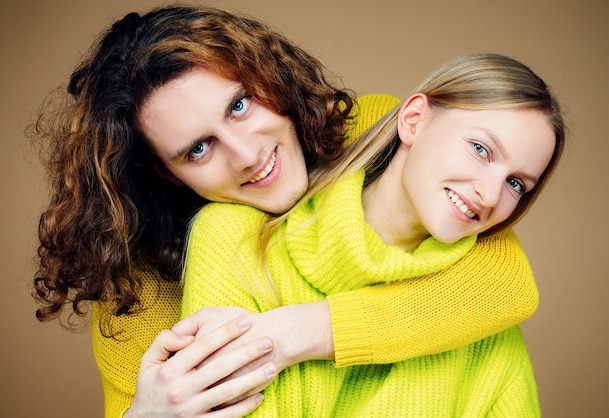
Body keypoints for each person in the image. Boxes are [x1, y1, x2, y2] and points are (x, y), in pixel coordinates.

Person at [29, 5, 545, 417]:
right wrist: (149, 414)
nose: (248, 153)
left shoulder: (368, 133)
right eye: (198, 149)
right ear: (168, 173)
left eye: (239, 105)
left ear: (268, 79)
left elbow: (506, 286)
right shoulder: (138, 289)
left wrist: (292, 334)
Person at [180, 51, 564, 416]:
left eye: (516, 183)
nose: (490, 194)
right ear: (413, 120)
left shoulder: (482, 315)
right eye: (481, 149)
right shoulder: (235, 238)